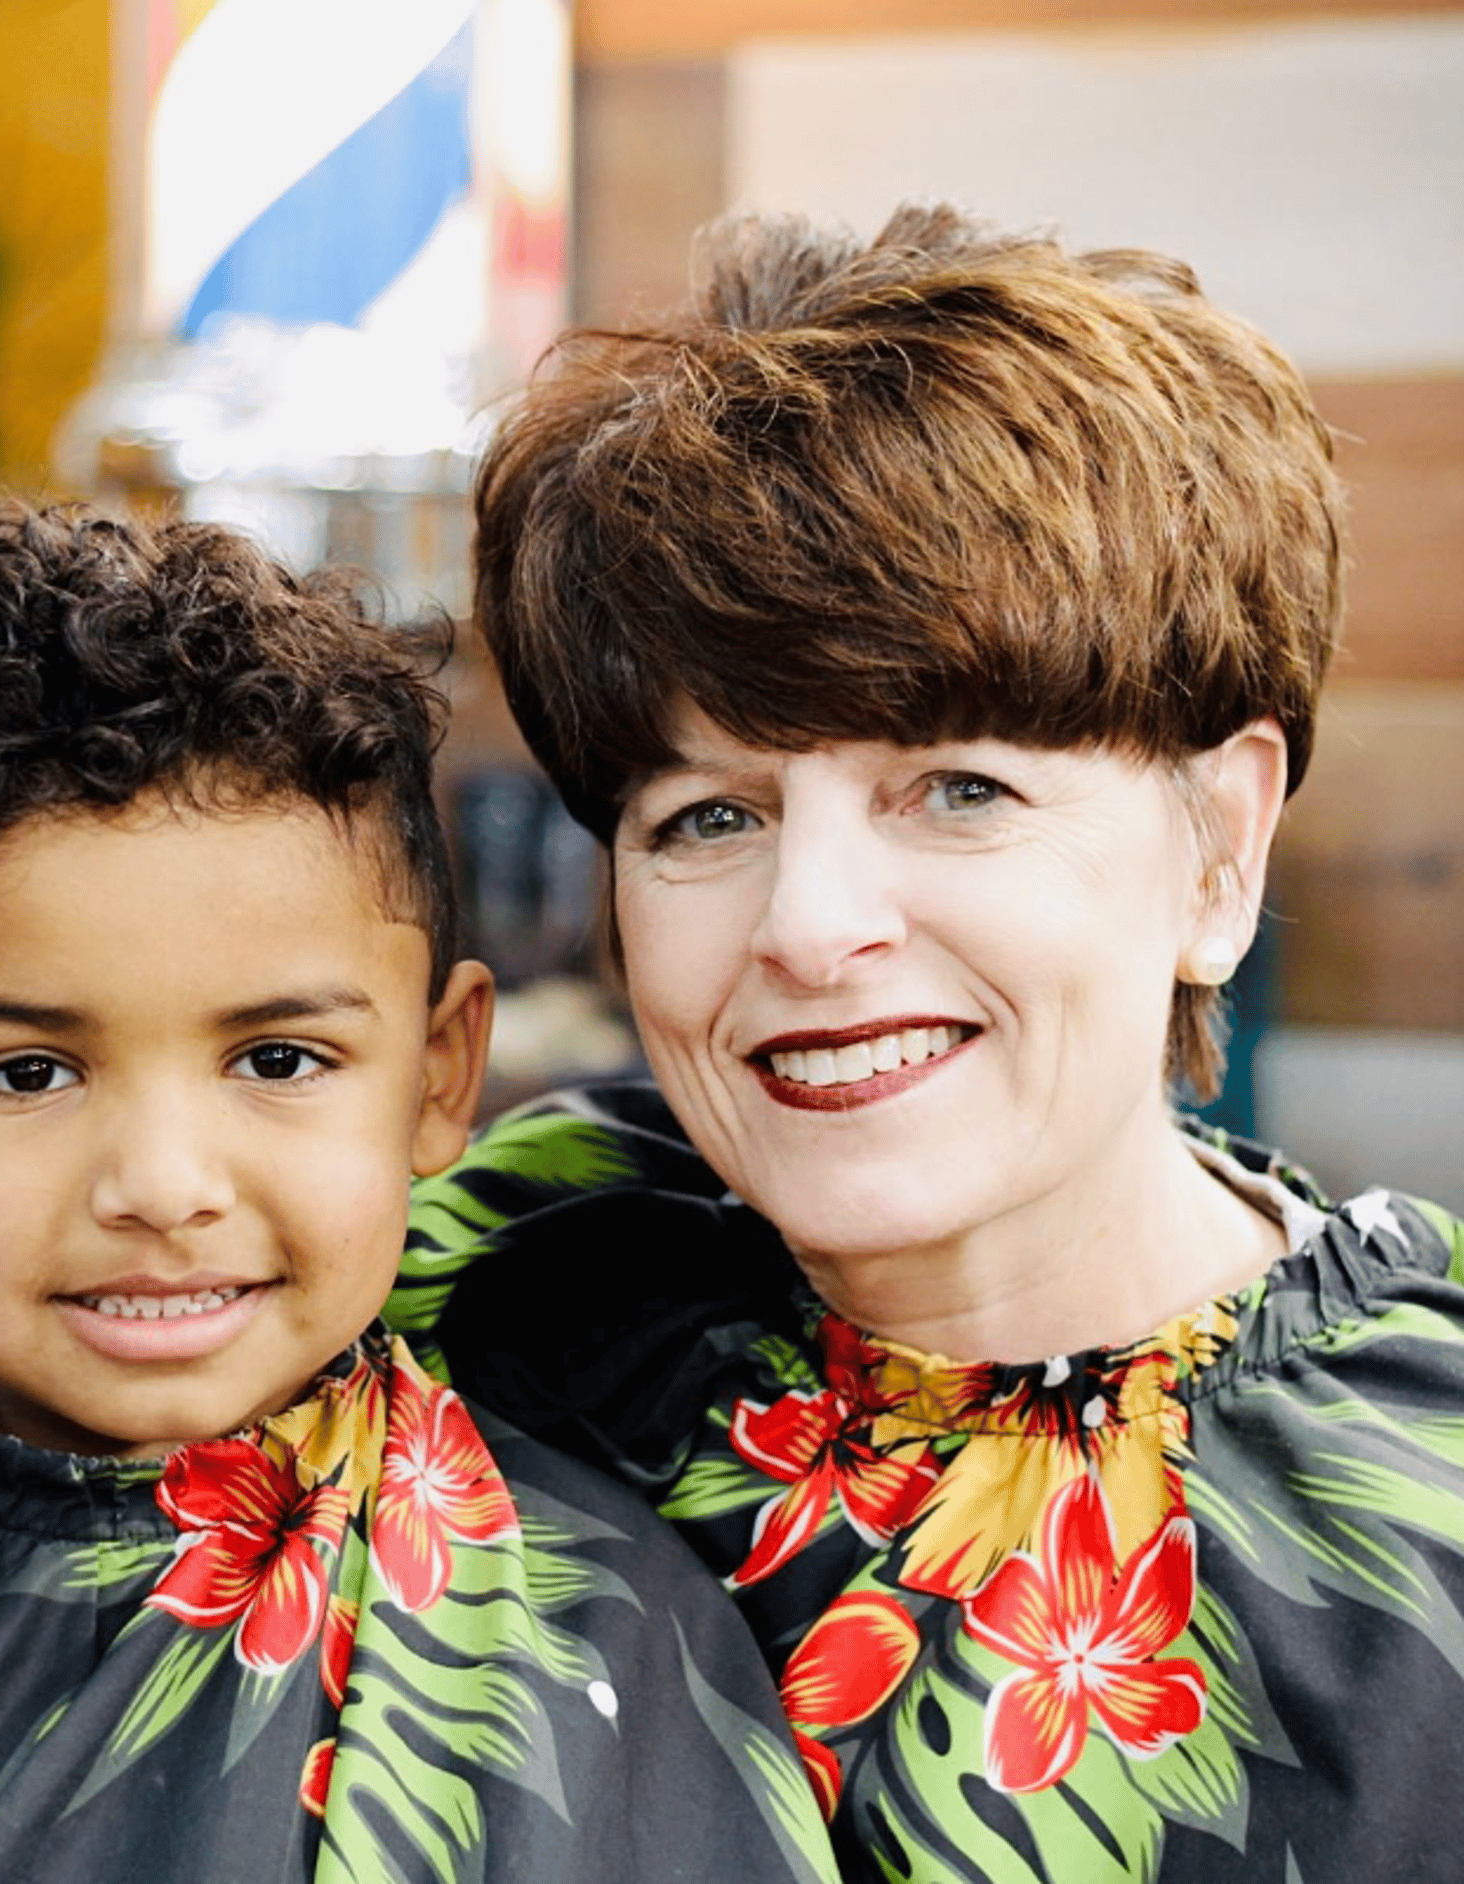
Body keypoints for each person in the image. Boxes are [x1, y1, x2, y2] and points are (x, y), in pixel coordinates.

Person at [394, 204, 1464, 1883]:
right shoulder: (468, 1291)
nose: (809, 924)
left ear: (1220, 851)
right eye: (705, 817)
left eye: (959, 788)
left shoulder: (1433, 1510)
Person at [0, 501, 838, 1882]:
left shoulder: (611, 1652)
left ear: (438, 1078)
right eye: (29, 1073)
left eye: (278, 1059)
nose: (162, 1188)